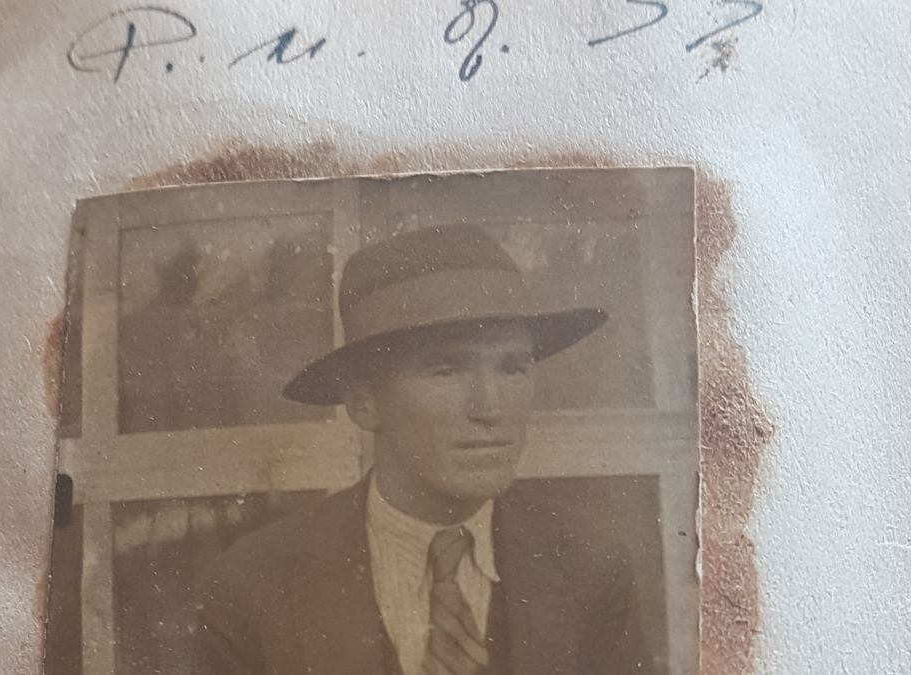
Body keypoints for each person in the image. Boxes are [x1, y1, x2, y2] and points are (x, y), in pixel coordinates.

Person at [193, 226, 650, 675]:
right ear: (364, 403)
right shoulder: (253, 586)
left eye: (513, 369)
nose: (490, 408)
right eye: (446, 371)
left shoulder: (592, 572)